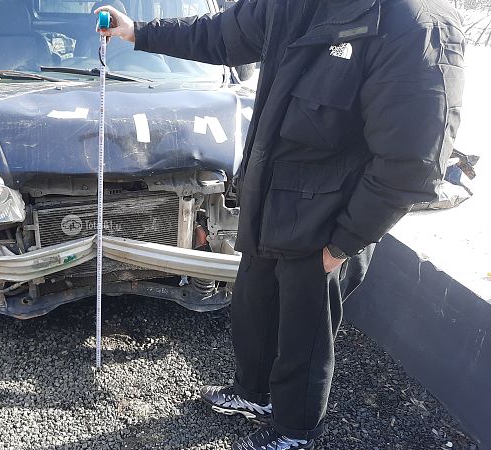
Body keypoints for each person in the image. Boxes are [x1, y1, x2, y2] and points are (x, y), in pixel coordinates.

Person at [96, 0, 465, 448]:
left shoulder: (416, 24)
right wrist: (138, 32)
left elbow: (412, 163)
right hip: (270, 199)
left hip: (328, 221)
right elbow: (222, 33)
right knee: (254, 307)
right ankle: (253, 394)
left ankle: (295, 430)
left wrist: (344, 243)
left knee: (303, 336)